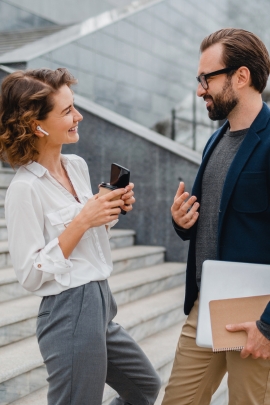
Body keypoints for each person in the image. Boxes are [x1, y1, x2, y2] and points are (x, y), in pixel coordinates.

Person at [0, 68, 161, 405]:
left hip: (101, 303)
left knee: (144, 386)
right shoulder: (23, 189)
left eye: (74, 106)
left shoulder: (76, 166)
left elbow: (87, 238)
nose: (79, 116)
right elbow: (30, 274)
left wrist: (107, 211)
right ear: (36, 125)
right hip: (68, 310)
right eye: (67, 111)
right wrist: (82, 220)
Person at [162, 28, 270, 405]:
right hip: (204, 305)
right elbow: (217, 220)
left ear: (241, 76)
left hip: (256, 317)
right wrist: (183, 220)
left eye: (206, 78)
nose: (199, 90)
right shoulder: (216, 139)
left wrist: (268, 325)